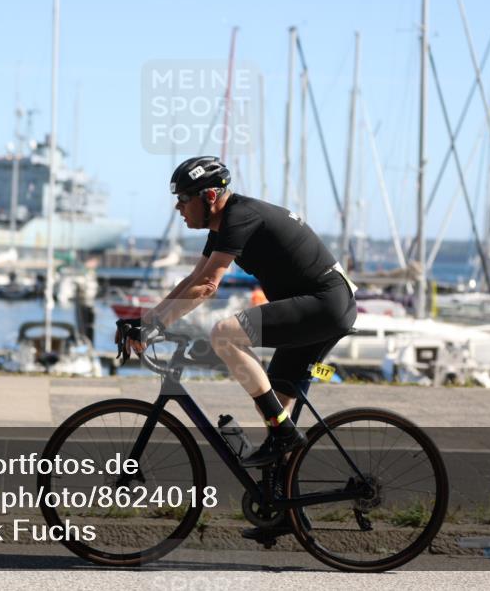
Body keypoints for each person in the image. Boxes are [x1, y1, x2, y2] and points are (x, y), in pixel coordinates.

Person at [117, 155, 358, 531]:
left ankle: (282, 433)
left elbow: (209, 286)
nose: (179, 208)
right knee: (279, 404)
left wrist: (152, 326)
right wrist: (146, 321)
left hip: (324, 305)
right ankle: (286, 511)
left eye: (184, 200)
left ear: (210, 195)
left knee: (224, 335)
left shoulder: (240, 216)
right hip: (321, 306)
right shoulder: (225, 222)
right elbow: (193, 279)